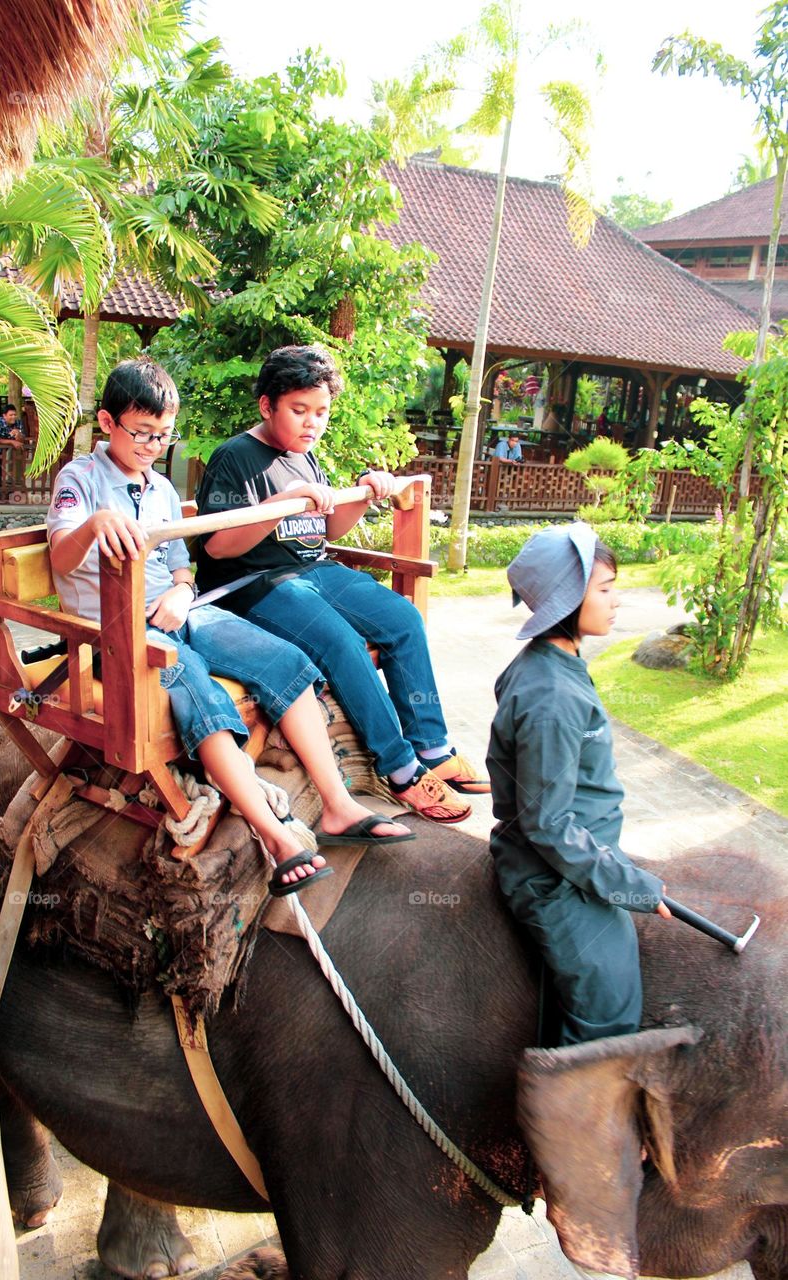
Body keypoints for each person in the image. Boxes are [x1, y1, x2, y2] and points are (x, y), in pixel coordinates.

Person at [47, 358, 413, 898]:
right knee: (197, 690)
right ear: (106, 422)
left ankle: (337, 805)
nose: (151, 445)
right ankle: (279, 839)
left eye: (162, 435)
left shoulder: (162, 489)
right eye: (140, 433)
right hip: (117, 630)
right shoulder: (79, 479)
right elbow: (60, 553)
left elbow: (180, 561)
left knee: (287, 663)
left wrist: (179, 590)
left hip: (179, 613)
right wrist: (97, 524)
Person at [195, 344, 490, 825]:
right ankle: (400, 769)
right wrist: (283, 504)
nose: (312, 423)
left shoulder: (306, 456)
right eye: (299, 410)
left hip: (313, 570)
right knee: (341, 642)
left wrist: (367, 491)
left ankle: (433, 747)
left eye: (321, 412)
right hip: (252, 584)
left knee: (403, 619)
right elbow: (217, 548)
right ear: (267, 405)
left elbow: (326, 531)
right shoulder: (237, 457)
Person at [487, 523, 671, 1045]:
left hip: (577, 851)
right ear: (568, 598)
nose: (618, 602)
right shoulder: (552, 696)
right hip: (552, 873)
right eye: (605, 589)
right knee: (610, 1005)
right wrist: (627, 885)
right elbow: (547, 822)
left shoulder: (556, 664)